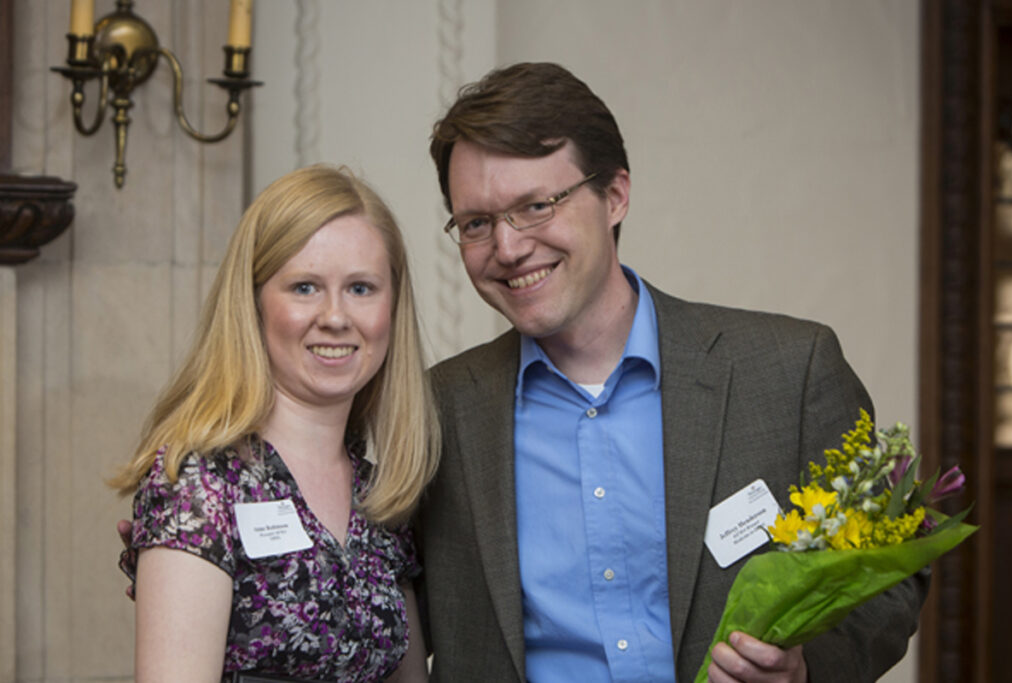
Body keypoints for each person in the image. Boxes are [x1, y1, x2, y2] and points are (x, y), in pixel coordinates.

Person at [414, 62, 927, 682]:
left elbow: (892, 571)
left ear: (615, 196)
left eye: (536, 206)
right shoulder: (435, 412)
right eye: (476, 223)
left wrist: (807, 670)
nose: (508, 247)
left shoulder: (788, 372)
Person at [112, 165, 440, 682]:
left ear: (393, 307)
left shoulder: (381, 497)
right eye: (305, 287)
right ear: (254, 302)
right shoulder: (200, 485)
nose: (335, 316)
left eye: (360, 288)